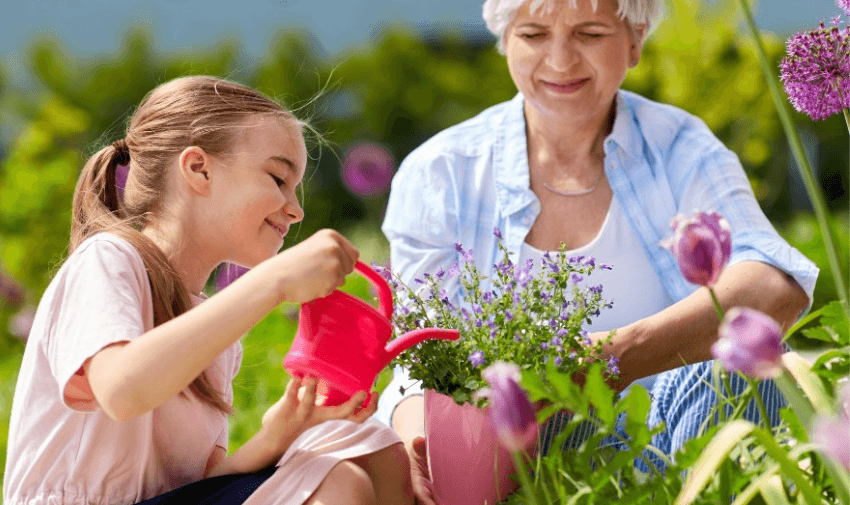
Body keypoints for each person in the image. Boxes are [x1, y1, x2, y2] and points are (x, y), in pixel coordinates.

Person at [375, 0, 818, 503]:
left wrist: (607, 359)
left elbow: (772, 285)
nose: (560, 61)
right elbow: (421, 357)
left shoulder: (680, 147)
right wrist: (417, 445)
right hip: (518, 453)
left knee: (741, 357)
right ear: (504, 43)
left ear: (635, 41)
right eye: (533, 35)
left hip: (677, 442)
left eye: (589, 34)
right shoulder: (441, 173)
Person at [3, 76, 414, 505]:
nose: (296, 210)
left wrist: (277, 435)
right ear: (199, 169)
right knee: (340, 485)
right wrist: (272, 282)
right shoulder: (107, 259)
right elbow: (122, 390)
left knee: (375, 450)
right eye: (277, 178)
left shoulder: (213, 331)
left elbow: (199, 484)